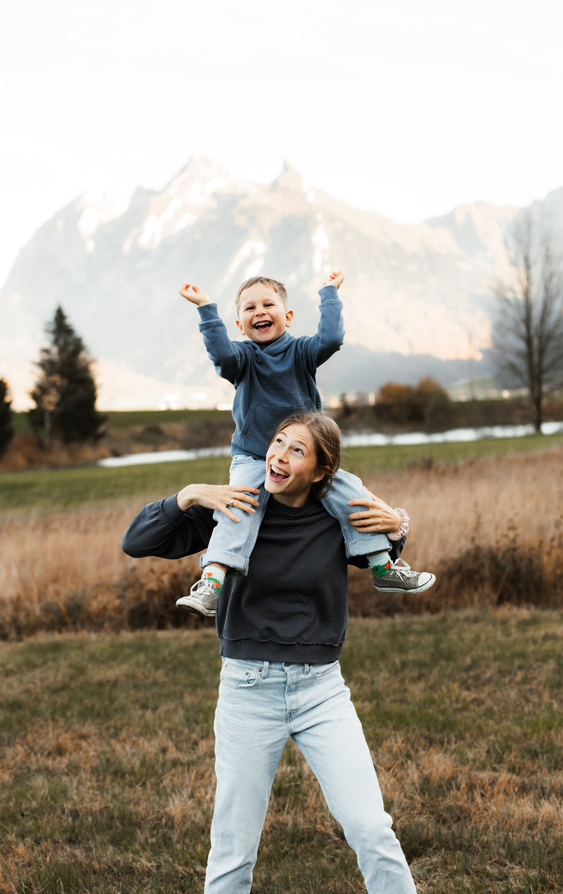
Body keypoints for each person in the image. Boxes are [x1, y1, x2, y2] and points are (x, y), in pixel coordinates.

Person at [122, 411, 418, 894]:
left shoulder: (337, 516)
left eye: (296, 450)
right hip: (248, 690)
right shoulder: (235, 508)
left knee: (371, 828)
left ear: (322, 472)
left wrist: (399, 523)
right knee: (234, 849)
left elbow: (386, 549)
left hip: (322, 691)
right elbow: (136, 541)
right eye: (277, 442)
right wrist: (189, 495)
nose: (278, 456)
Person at [176, 271, 435, 616]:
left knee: (354, 495)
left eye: (268, 304)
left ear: (288, 316)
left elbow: (331, 339)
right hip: (253, 458)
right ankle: (212, 583)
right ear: (239, 325)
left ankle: (383, 567)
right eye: (249, 308)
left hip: (306, 457)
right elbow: (221, 355)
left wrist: (329, 293)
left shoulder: (301, 352)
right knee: (237, 508)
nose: (259, 311)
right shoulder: (242, 359)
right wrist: (206, 308)